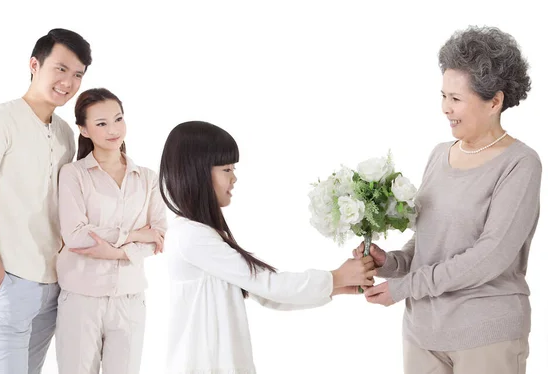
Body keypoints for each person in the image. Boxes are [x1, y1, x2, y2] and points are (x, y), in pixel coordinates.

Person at [356, 26, 542, 374]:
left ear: (495, 101)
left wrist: (405, 287)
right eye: (443, 95)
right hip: (422, 332)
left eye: (456, 99)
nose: (445, 108)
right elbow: (430, 238)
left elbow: (490, 256)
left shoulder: (520, 163)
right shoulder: (440, 154)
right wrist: (391, 262)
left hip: (485, 335)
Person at [160, 120, 377, 374]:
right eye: (227, 169)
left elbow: (265, 294)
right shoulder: (190, 236)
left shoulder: (202, 233)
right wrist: (336, 277)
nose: (234, 178)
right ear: (196, 172)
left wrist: (336, 286)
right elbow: (267, 284)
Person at [0, 28, 92, 374]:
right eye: (61, 69)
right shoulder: (0, 118)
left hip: (52, 286)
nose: (68, 81)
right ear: (35, 64)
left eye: (78, 74)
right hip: (9, 281)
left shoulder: (65, 133)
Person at [55, 88, 167, 374]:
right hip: (81, 298)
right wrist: (131, 236)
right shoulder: (73, 174)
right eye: (101, 123)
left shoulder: (147, 178)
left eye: (118, 119)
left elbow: (159, 235)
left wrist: (115, 251)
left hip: (130, 300)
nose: (113, 130)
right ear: (84, 129)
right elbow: (76, 235)